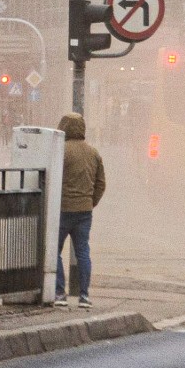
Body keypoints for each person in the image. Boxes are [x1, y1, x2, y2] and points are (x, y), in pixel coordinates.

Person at [55, 113, 106, 308]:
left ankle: (60, 293)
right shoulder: (93, 153)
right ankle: (84, 296)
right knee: (83, 252)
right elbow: (101, 183)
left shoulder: (61, 151)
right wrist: (90, 202)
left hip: (62, 209)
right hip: (84, 211)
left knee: (54, 251)